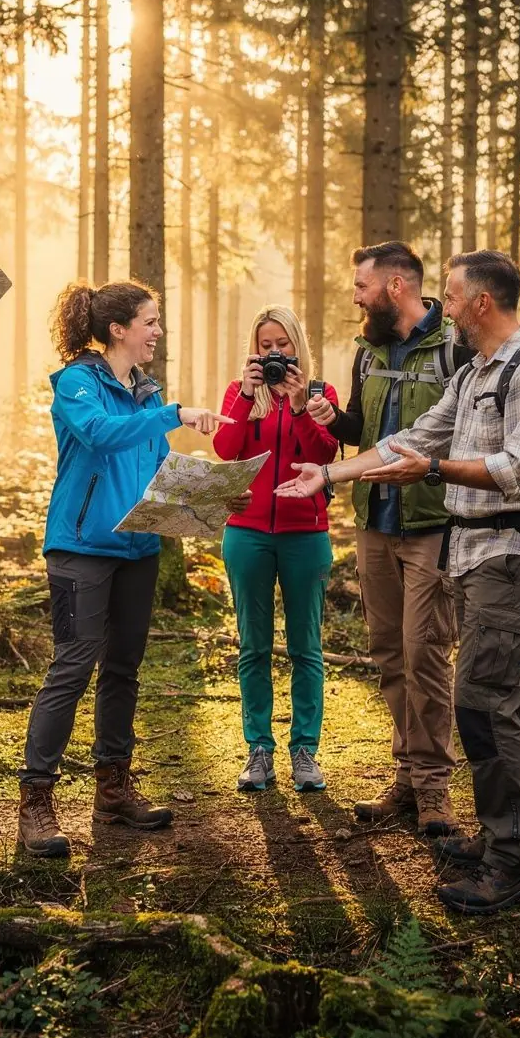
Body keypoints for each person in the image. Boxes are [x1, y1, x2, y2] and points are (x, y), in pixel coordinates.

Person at [278, 251, 520, 915]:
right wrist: (328, 476)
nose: (444, 303)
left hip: (516, 553)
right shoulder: (474, 374)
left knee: (478, 700)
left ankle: (515, 865)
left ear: (480, 303)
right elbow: (410, 438)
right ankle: (516, 841)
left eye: (452, 294)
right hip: (474, 556)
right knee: (505, 701)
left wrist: (435, 471)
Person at [17, 279, 236, 857]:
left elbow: (154, 465)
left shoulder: (144, 390)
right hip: (80, 548)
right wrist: (174, 413)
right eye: (150, 322)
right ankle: (36, 799)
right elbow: (99, 436)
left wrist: (210, 492)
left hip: (138, 549)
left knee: (123, 668)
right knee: (73, 665)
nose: (157, 332)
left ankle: (113, 787)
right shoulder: (77, 383)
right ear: (118, 330)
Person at [304, 242, 472, 838]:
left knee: (425, 656)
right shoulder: (366, 351)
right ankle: (406, 779)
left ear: (396, 286)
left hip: (433, 523)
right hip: (374, 521)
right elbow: (362, 427)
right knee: (388, 655)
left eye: (361, 285)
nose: (355, 294)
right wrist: (333, 421)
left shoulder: (455, 346)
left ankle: (433, 790)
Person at [214, 305, 340, 793]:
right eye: (265, 345)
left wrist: (301, 406)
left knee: (306, 646)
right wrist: (247, 396)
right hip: (246, 533)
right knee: (254, 646)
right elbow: (226, 451)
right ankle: (259, 750)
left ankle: (305, 751)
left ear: (296, 346)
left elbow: (325, 455)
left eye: (281, 344)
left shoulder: (318, 394)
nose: (273, 353)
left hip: (306, 534)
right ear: (255, 348)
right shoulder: (239, 392)